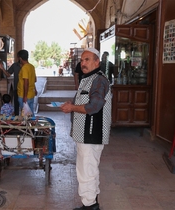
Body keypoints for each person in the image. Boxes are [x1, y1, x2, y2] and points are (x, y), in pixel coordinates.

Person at [60, 48, 112, 210]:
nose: (83, 63)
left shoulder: (99, 80)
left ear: (97, 62)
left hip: (91, 133)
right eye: (82, 60)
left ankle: (89, 206)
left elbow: (94, 106)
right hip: (85, 134)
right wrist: (74, 104)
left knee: (86, 171)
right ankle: (92, 203)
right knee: (89, 169)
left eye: (87, 60)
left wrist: (72, 107)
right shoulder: (89, 78)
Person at [16, 49, 37, 116]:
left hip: (23, 95)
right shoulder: (31, 67)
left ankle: (28, 126)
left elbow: (26, 82)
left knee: (25, 116)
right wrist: (35, 89)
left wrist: (25, 96)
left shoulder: (24, 68)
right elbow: (33, 80)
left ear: (20, 58)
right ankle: (33, 126)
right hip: (31, 94)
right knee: (31, 114)